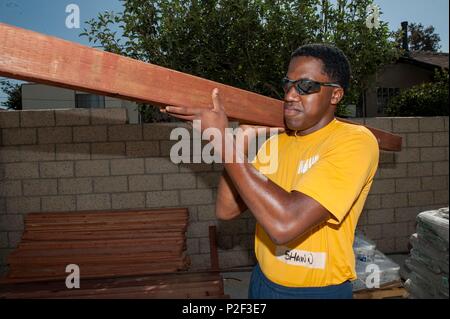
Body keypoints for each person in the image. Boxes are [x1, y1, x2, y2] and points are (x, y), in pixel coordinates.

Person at [163, 43, 379, 299]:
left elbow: (285, 223)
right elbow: (227, 210)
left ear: (335, 95)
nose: (290, 94)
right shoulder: (276, 144)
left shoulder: (354, 141)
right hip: (263, 281)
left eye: (306, 86)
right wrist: (241, 137)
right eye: (288, 84)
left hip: (317, 292)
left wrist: (220, 140)